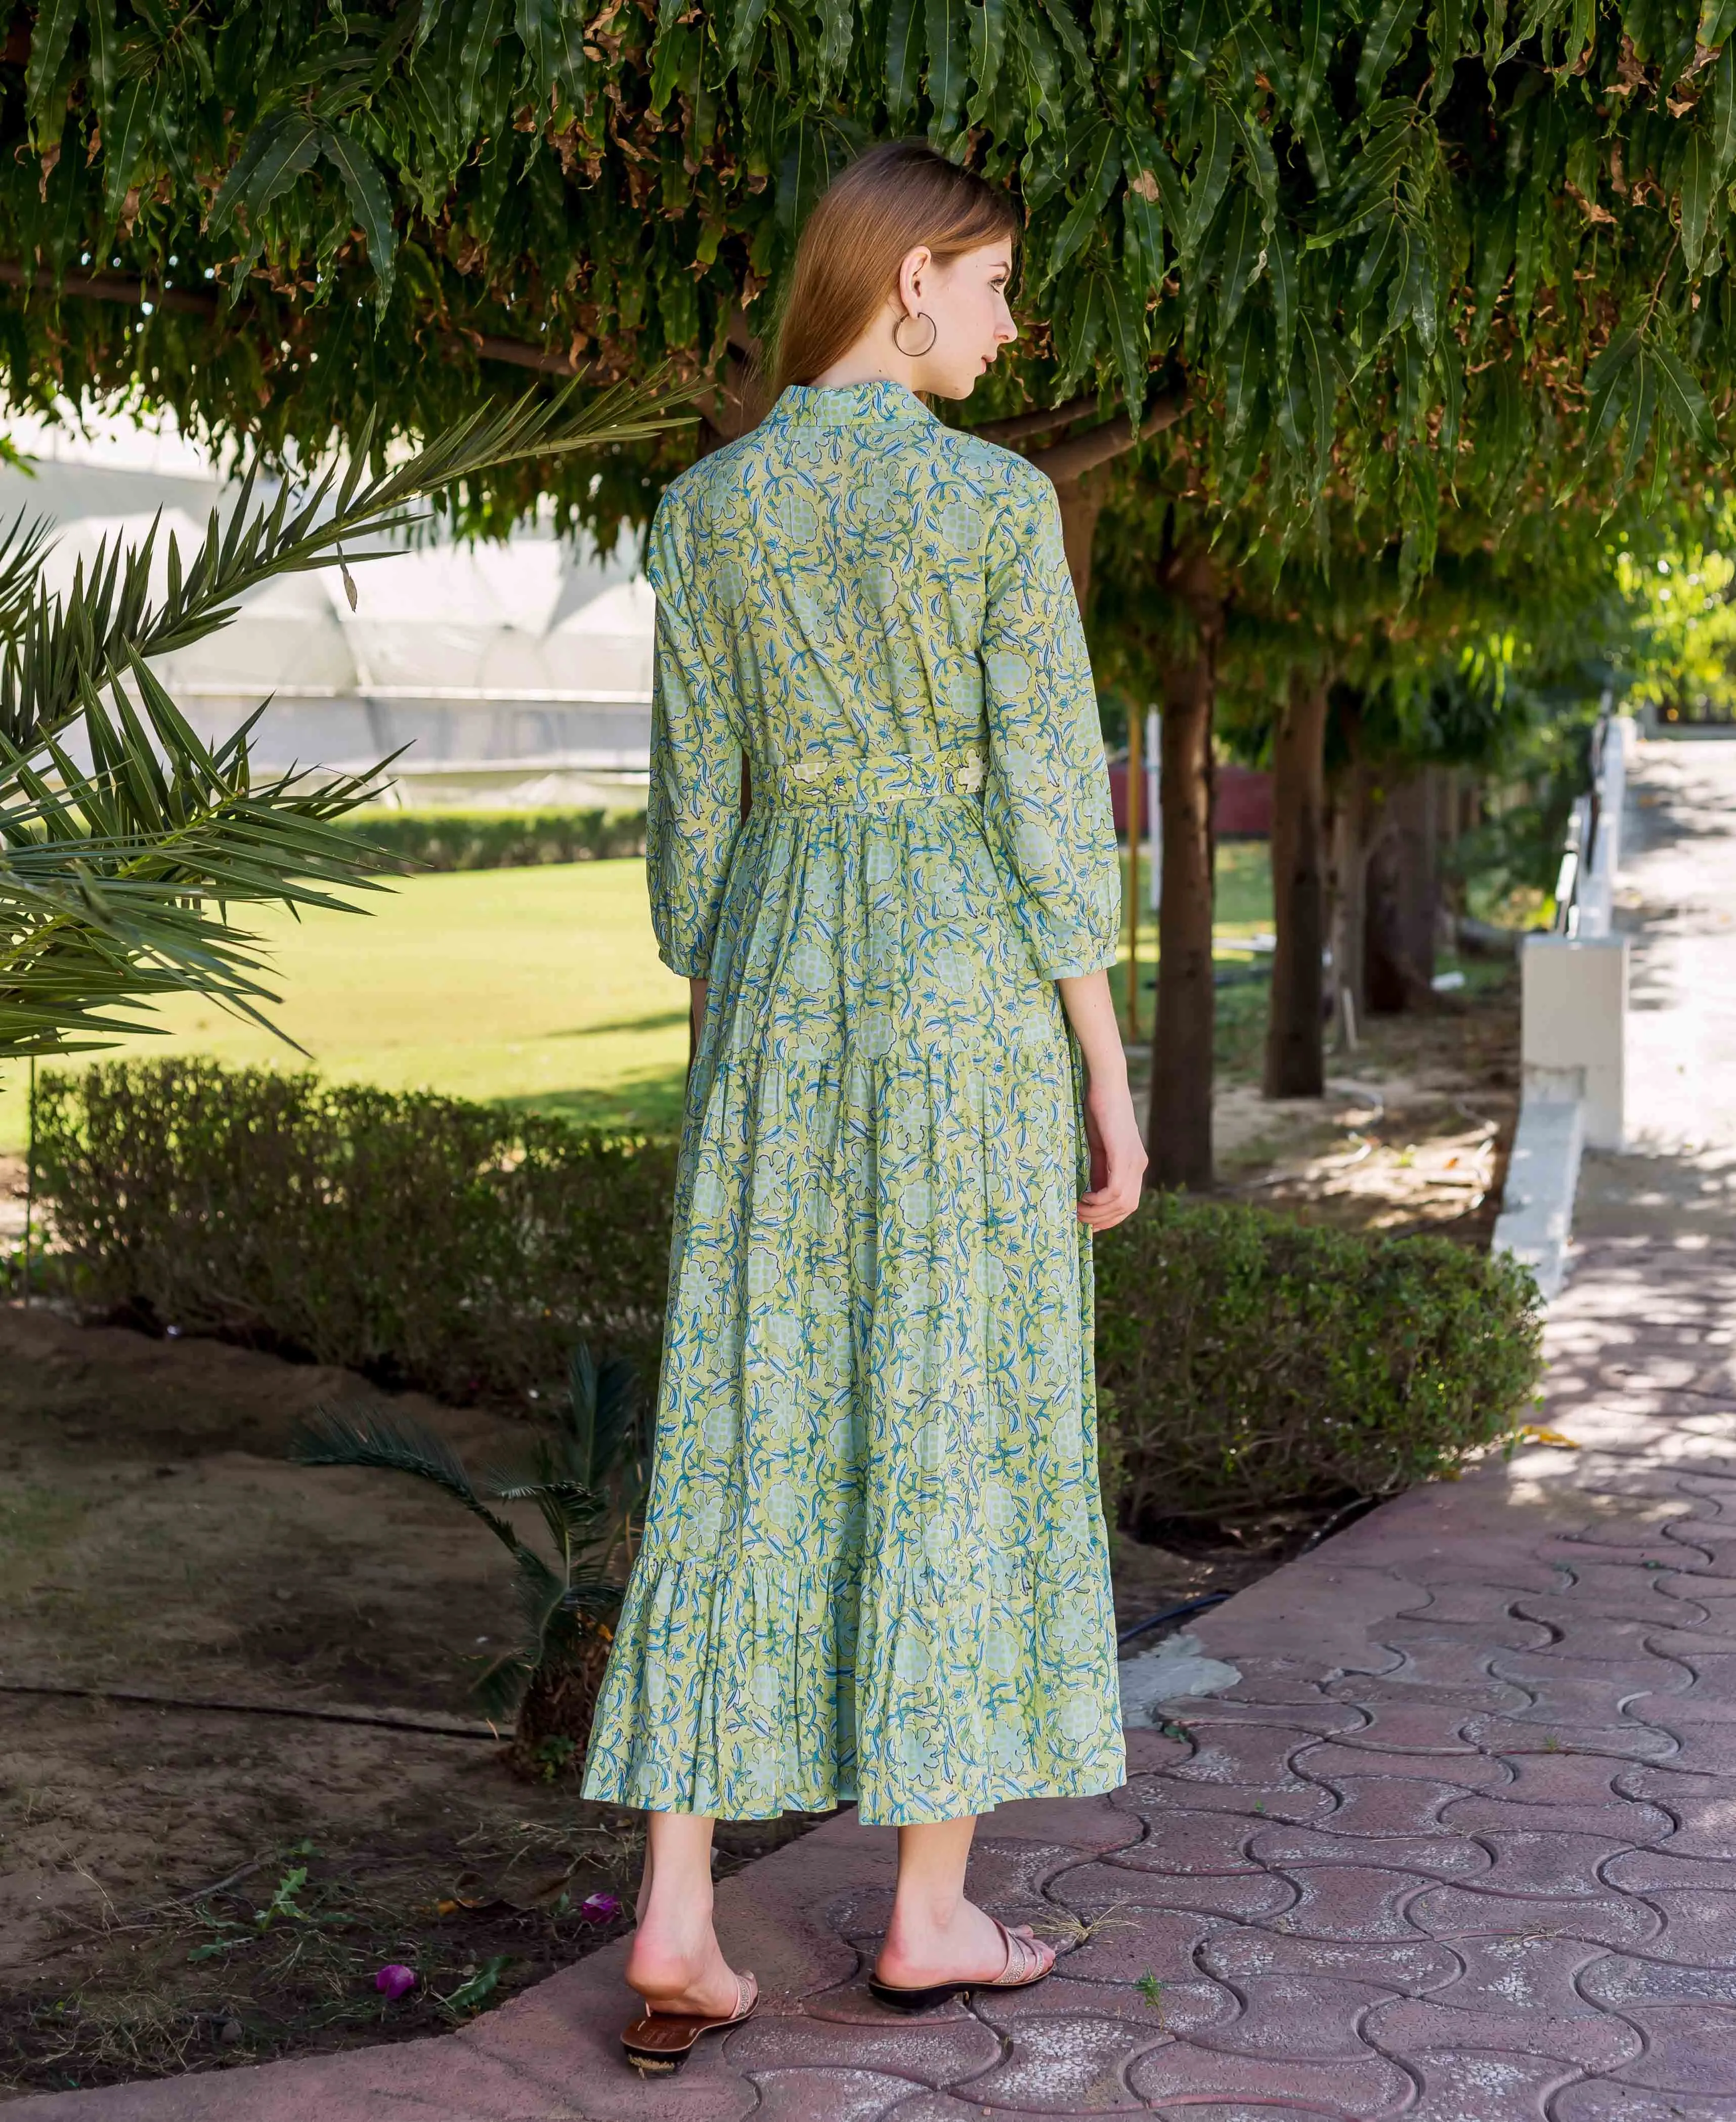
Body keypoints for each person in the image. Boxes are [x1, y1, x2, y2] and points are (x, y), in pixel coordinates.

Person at [579, 137, 1147, 2074]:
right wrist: (1108, 1076)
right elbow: (1051, 809)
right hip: (966, 986)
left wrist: (739, 1030)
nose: (1009, 316)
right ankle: (925, 1910)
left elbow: (690, 845)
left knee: (749, 1415)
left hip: (781, 985)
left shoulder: (706, 514)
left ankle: (676, 1912)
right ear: (909, 285)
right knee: (958, 1410)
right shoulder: (995, 510)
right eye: (992, 281)